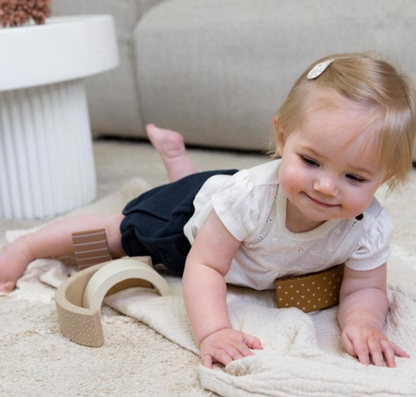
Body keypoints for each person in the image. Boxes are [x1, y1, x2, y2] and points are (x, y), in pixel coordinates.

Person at [0, 53, 415, 369]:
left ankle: (177, 161)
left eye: (355, 178)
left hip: (233, 215)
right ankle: (28, 246)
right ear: (282, 137)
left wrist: (363, 323)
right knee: (120, 234)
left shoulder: (370, 227)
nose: (326, 186)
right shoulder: (248, 198)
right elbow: (205, 267)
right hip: (188, 230)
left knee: (200, 190)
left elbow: (364, 289)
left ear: (387, 178)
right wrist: (215, 331)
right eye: (310, 161)